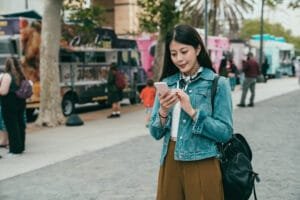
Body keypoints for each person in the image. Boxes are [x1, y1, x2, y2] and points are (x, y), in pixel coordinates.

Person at [149, 24, 233, 200]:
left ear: (197, 48)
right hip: (170, 161)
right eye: (173, 54)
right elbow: (155, 132)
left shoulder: (218, 84)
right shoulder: (167, 84)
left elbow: (225, 133)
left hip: (203, 160)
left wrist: (193, 112)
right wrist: (163, 111)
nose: (179, 58)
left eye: (184, 51)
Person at [0, 57, 27, 155]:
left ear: (6, 65)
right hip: (21, 102)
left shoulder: (7, 76)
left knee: (12, 126)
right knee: (20, 124)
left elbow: (3, 91)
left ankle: (15, 150)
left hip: (9, 103)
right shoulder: (21, 75)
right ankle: (21, 147)